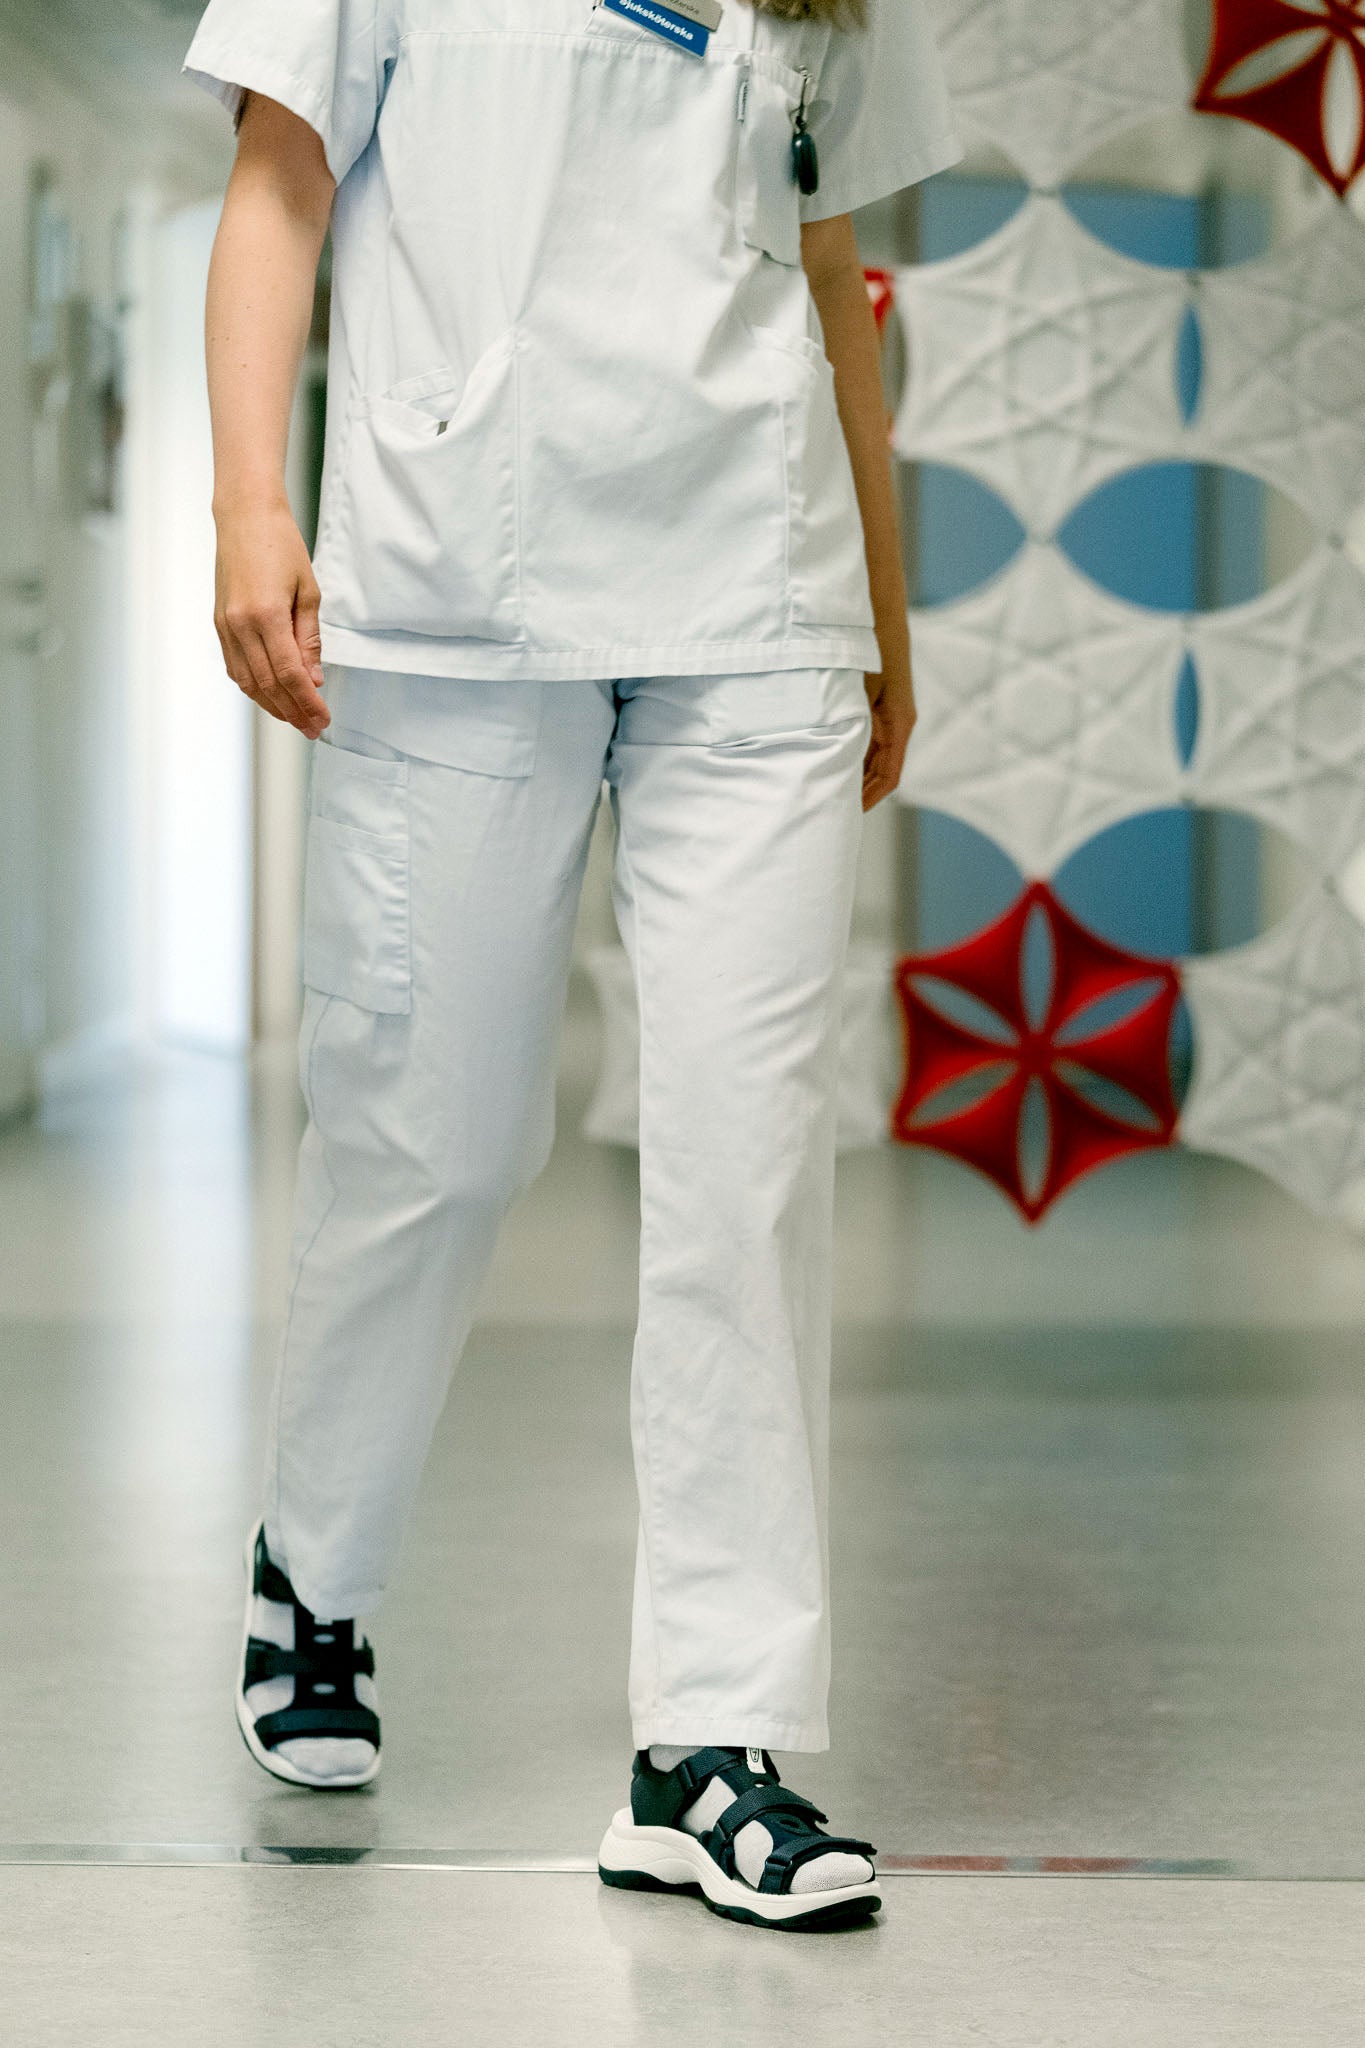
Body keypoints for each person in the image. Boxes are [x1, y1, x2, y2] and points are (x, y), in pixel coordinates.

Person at [183, 0, 962, 1933]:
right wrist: (249, 504)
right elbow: (277, 183)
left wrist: (878, 608)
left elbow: (830, 275)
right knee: (434, 1144)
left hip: (760, 608)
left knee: (744, 1173)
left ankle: (711, 1741)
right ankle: (316, 1570)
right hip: (456, 594)